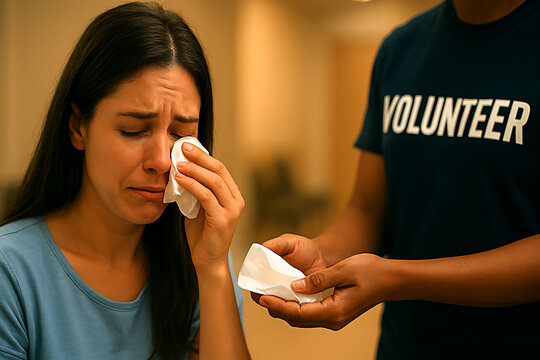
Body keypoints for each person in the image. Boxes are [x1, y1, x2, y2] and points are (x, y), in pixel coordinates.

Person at [252, 0, 540, 358]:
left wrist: (397, 278)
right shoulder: (401, 49)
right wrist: (323, 255)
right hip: (406, 345)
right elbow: (368, 207)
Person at [0, 2, 250, 360]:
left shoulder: (198, 262)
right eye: (133, 130)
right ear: (77, 127)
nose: (162, 161)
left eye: (181, 135)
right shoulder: (11, 271)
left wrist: (212, 271)